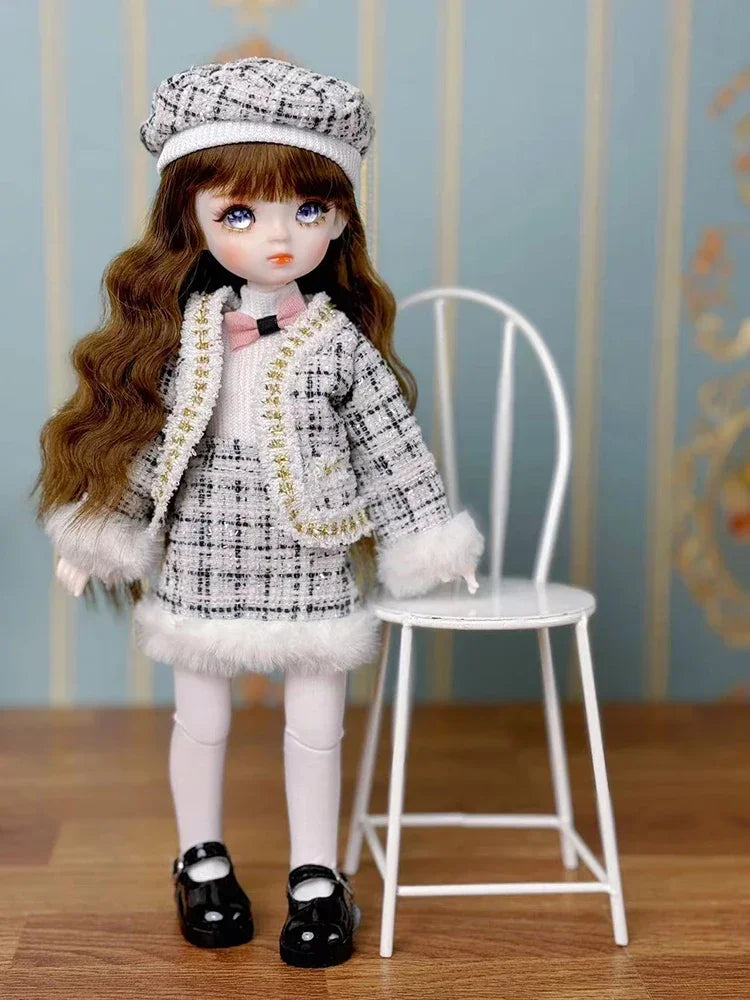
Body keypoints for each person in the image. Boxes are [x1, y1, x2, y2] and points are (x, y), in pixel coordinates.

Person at [33, 56, 484, 968]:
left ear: (342, 218)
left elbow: (391, 447)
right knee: (200, 715)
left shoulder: (339, 345)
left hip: (309, 551)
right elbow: (150, 443)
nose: (278, 237)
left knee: (316, 722)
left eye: (307, 210)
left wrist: (428, 539)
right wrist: (101, 533)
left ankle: (318, 876)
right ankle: (200, 858)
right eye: (240, 214)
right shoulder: (185, 336)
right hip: (202, 542)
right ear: (192, 221)